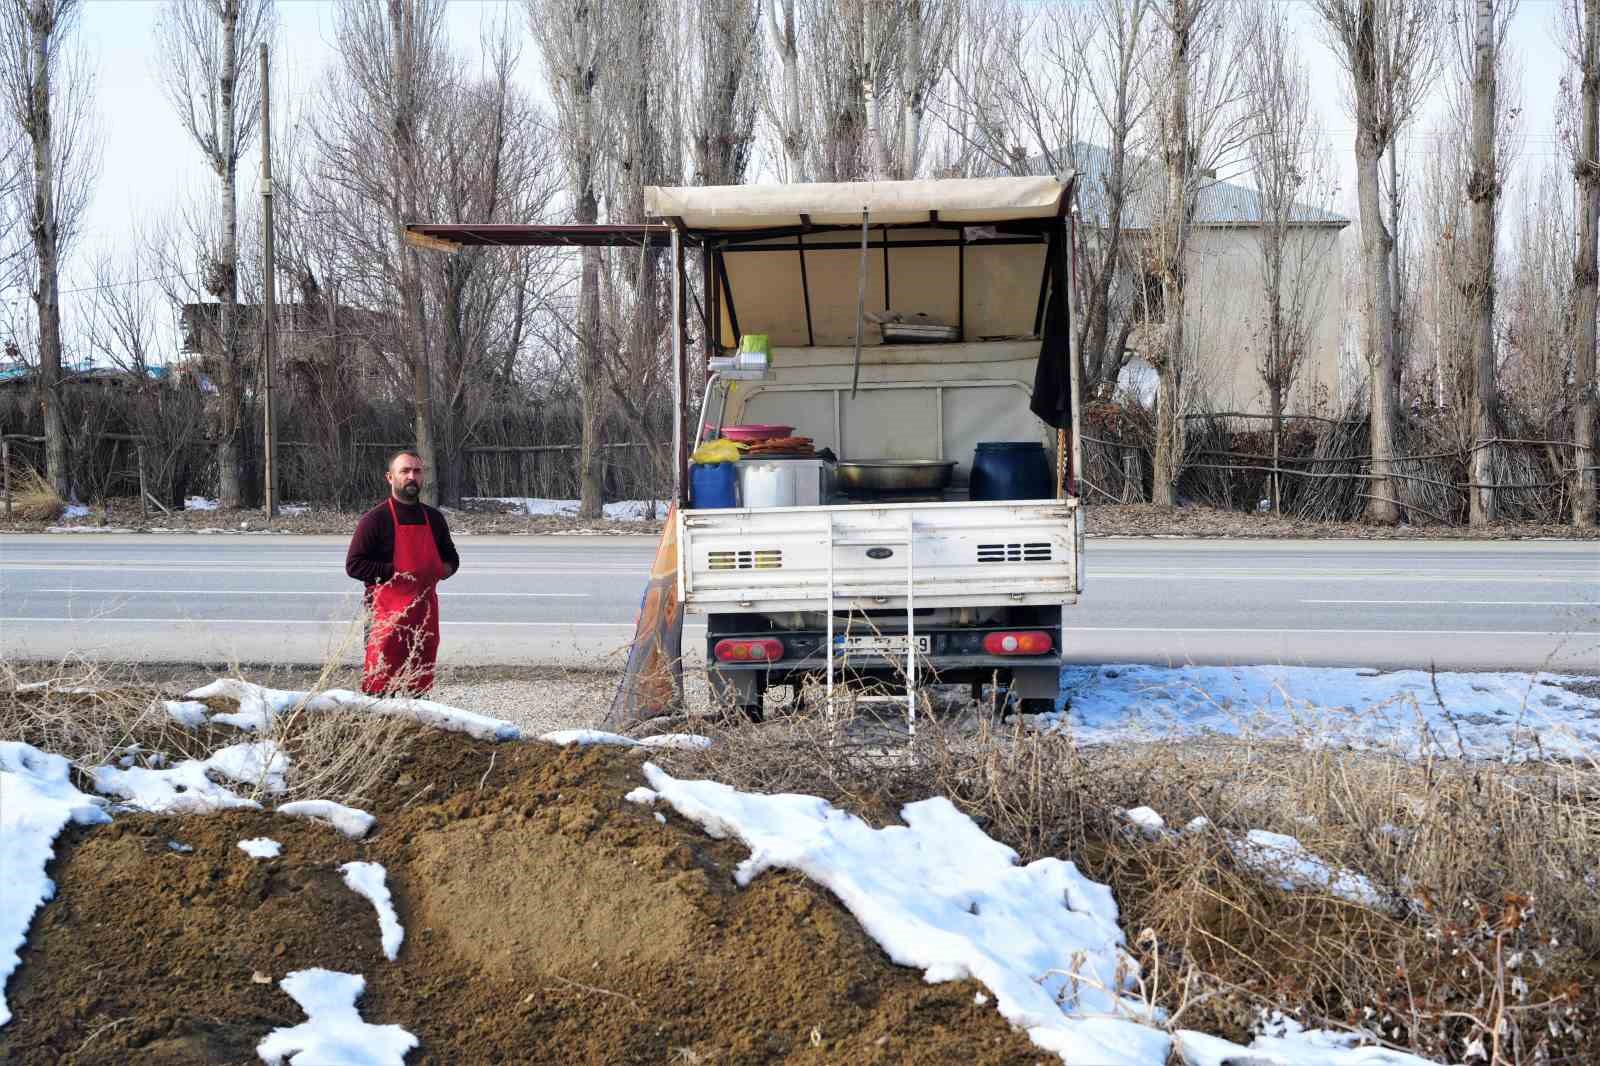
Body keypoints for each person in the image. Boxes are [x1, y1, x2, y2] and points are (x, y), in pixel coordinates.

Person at [346, 451, 460, 696]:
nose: (412, 476)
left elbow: (452, 559)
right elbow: (354, 565)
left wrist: (437, 570)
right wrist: (395, 572)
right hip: (384, 617)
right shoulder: (374, 520)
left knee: (417, 687)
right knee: (380, 686)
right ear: (390, 477)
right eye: (405, 471)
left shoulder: (434, 518)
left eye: (417, 471)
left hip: (424, 614)